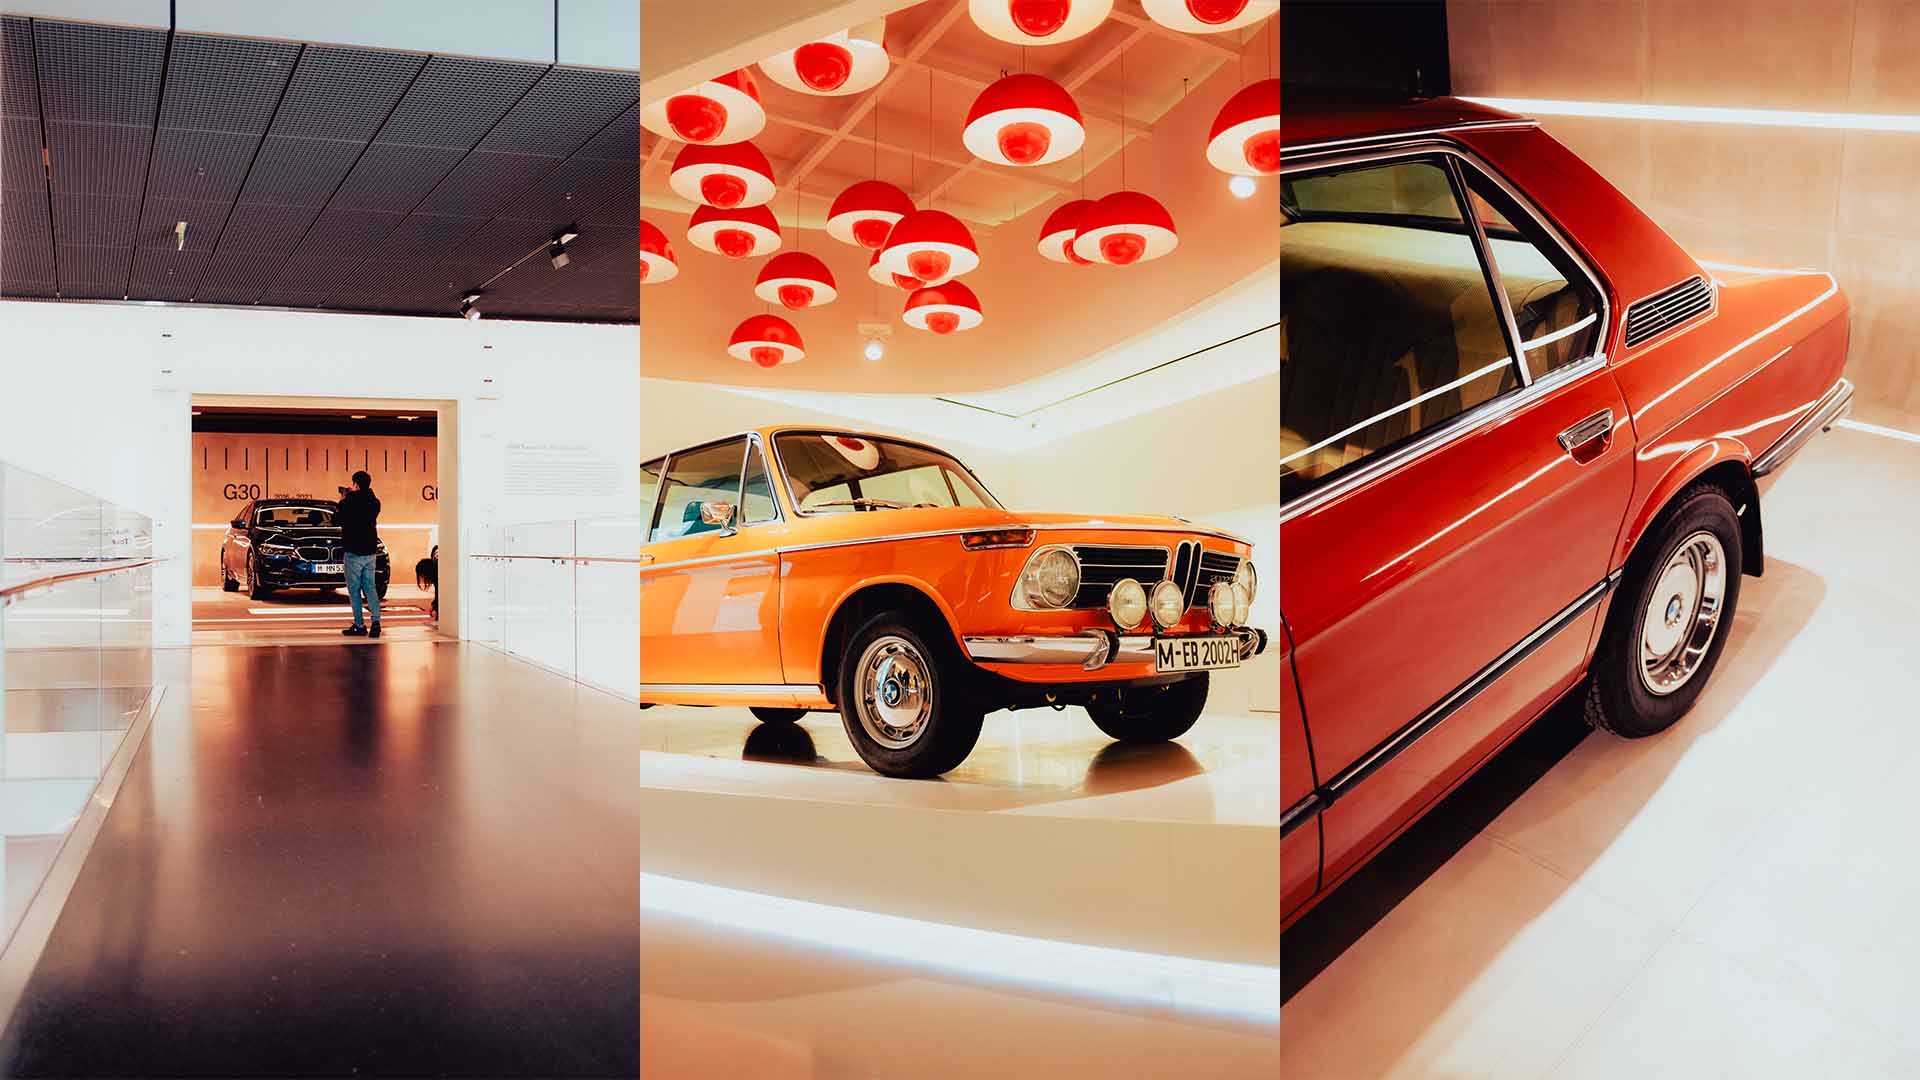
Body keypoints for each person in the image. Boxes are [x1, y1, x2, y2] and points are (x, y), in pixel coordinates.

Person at [336, 470, 382, 638]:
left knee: (354, 590)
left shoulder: (349, 501)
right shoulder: (375, 502)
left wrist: (344, 498)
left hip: (353, 551)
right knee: (370, 588)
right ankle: (376, 622)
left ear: (355, 484)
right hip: (370, 551)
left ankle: (359, 625)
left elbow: (337, 519)